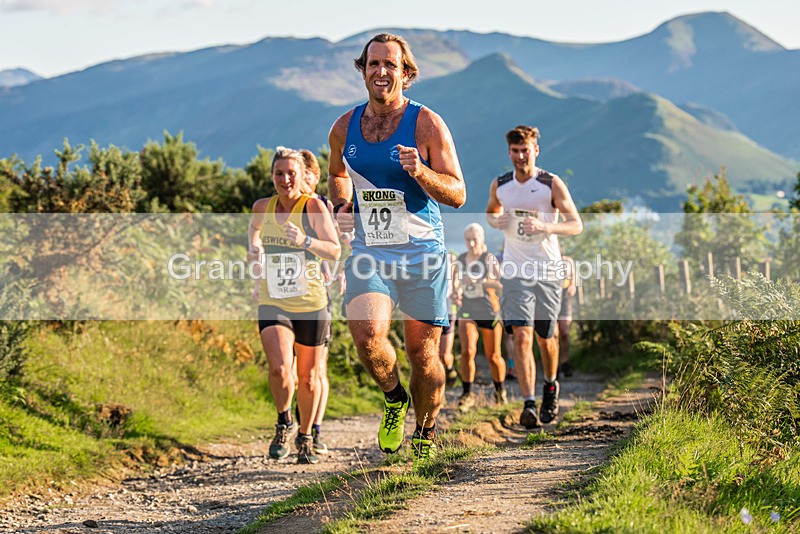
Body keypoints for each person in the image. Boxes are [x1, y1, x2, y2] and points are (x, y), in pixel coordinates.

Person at [327, 33, 466, 463]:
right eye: (373, 64)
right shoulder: (344, 127)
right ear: (363, 70)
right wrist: (341, 204)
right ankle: (393, 397)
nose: (381, 72)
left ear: (406, 73)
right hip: (372, 251)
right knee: (368, 337)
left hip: (423, 253)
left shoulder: (426, 123)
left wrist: (421, 172)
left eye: (390, 65)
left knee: (422, 356)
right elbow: (336, 173)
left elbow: (458, 192)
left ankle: (425, 428)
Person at [247, 147, 341, 464]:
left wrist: (304, 241)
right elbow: (254, 232)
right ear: (272, 175)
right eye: (279, 173)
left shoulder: (312, 206)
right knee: (279, 369)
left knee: (310, 377)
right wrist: (254, 250)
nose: (285, 179)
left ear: (302, 176)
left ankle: (305, 436)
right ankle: (284, 420)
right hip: (273, 300)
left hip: (311, 302)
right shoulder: (262, 206)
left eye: (291, 173)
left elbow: (334, 250)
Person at [486, 125, 583, 428]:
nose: (520, 156)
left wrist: (546, 227)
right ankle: (528, 403)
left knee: (546, 338)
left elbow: (576, 224)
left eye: (525, 150)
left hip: (548, 271)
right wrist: (496, 220)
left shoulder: (550, 184)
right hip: (515, 272)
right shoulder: (501, 185)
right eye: (514, 151)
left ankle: (550, 386)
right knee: (523, 336)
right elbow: (491, 213)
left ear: (535, 150)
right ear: (509, 153)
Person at [453, 223, 506, 412]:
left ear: (482, 239)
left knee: (493, 356)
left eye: (475, 239)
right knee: (467, 351)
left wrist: (481, 281)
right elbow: (455, 285)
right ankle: (467, 394)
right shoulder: (460, 259)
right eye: (468, 239)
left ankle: (500, 392)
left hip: (488, 309)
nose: (471, 243)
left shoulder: (488, 258)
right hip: (467, 309)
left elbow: (501, 283)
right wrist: (455, 294)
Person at [441, 251, 459, 389]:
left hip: (448, 311)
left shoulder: (451, 258)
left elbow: (456, 283)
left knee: (445, 355)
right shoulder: (420, 256)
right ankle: (438, 389)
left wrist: (457, 293)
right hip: (429, 311)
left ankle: (449, 368)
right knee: (432, 355)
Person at [557, 254, 576, 378]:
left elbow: (573, 279)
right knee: (553, 334)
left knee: (564, 332)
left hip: (565, 298)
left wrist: (572, 286)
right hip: (550, 295)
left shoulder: (568, 261)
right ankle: (554, 365)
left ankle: (564, 361)